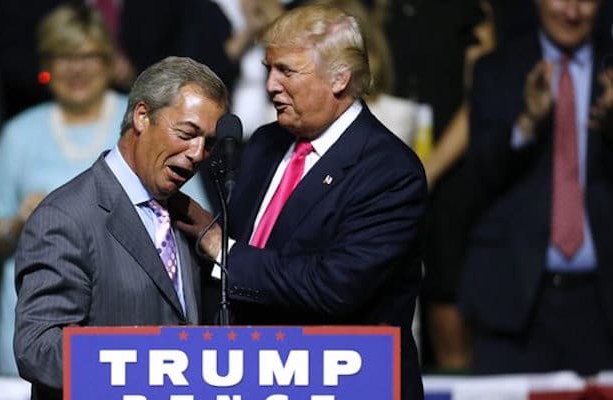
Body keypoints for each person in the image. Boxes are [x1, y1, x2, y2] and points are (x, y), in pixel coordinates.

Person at [174, 5, 426, 399]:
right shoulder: (262, 144)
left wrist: (222, 249)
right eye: (269, 69)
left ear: (339, 78)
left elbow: (334, 288)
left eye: (286, 71)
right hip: (255, 379)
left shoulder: (389, 170)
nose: (271, 85)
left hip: (347, 385)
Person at [13, 56, 227, 399]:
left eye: (209, 142)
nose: (198, 154)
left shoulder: (187, 217)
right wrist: (146, 366)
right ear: (142, 116)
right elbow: (39, 349)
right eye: (186, 134)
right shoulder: (65, 217)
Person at [0, 4, 129, 375]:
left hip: (121, 335)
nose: (76, 68)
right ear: (47, 64)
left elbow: (189, 221)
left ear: (108, 61)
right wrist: (16, 224)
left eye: (88, 56)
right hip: (33, 330)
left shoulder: (139, 124)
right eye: (63, 56)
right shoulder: (19, 133)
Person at [461, 0, 613, 374]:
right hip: (513, 302)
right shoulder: (496, 69)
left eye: (586, 0)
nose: (572, 12)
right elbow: (478, 179)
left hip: (601, 306)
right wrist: (526, 124)